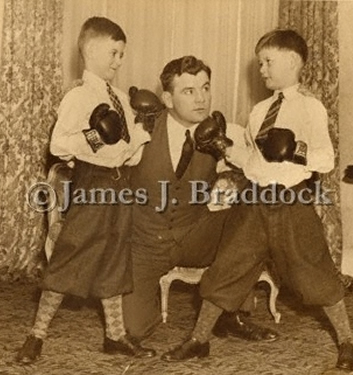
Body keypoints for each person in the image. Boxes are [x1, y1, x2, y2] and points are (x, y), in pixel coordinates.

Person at [16, 16, 155, 364]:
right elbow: (59, 145)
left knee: (114, 260)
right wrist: (95, 135)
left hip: (123, 186)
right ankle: (36, 336)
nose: (119, 61)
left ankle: (116, 337)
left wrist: (142, 131)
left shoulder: (122, 98)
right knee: (70, 257)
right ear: (90, 50)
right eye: (113, 52)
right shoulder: (78, 96)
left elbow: (132, 156)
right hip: (93, 184)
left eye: (122, 54)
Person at [218, 29, 353, 371]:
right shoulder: (258, 111)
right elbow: (252, 161)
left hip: (291, 200)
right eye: (260, 62)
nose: (262, 69)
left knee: (316, 273)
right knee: (229, 266)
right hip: (254, 198)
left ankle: (348, 341)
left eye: (268, 61)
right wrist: (222, 147)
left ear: (292, 62)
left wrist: (296, 150)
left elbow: (326, 159)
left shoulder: (311, 108)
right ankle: (198, 339)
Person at [123, 55, 279, 354]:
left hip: (195, 232)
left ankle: (231, 313)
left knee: (253, 218)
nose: (201, 98)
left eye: (205, 88)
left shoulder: (221, 132)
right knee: (135, 328)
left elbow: (256, 174)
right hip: (145, 240)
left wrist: (233, 172)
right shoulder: (142, 128)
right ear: (167, 98)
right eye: (189, 91)